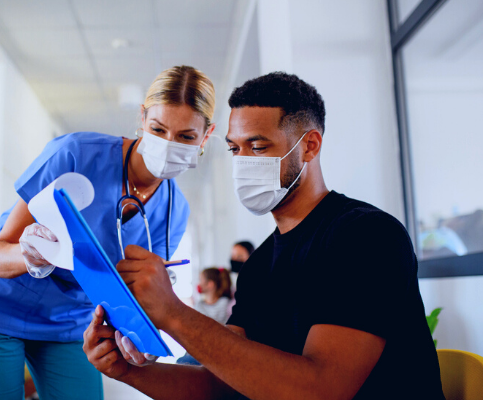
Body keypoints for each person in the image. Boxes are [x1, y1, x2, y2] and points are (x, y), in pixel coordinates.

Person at [83, 72, 445, 400]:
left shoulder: (364, 236)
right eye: (234, 149)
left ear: (310, 146)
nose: (243, 162)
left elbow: (321, 391)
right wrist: (128, 371)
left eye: (257, 147)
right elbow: (224, 386)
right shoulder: (258, 266)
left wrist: (173, 314)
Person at [0, 65, 216, 400]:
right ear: (142, 119)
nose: (168, 144)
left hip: (68, 324)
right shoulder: (74, 154)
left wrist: (138, 339)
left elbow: (140, 299)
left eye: (186, 136)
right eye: (158, 129)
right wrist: (28, 253)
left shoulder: (175, 211)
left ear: (205, 136)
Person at [177, 267, 233, 365]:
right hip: (199, 348)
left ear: (210, 284)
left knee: (183, 362)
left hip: (217, 350)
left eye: (201, 280)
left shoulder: (227, 304)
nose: (198, 283)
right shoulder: (199, 304)